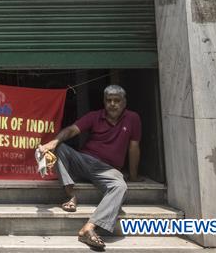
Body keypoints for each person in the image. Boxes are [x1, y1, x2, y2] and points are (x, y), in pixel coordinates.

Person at [39, 85, 141, 251]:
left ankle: (89, 227)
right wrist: (53, 142)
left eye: (117, 100)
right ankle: (71, 195)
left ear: (124, 102)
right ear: (104, 102)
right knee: (58, 148)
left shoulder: (133, 118)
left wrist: (134, 176)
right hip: (85, 161)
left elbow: (134, 147)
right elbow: (72, 130)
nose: (113, 104)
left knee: (120, 186)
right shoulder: (95, 116)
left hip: (109, 169)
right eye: (109, 100)